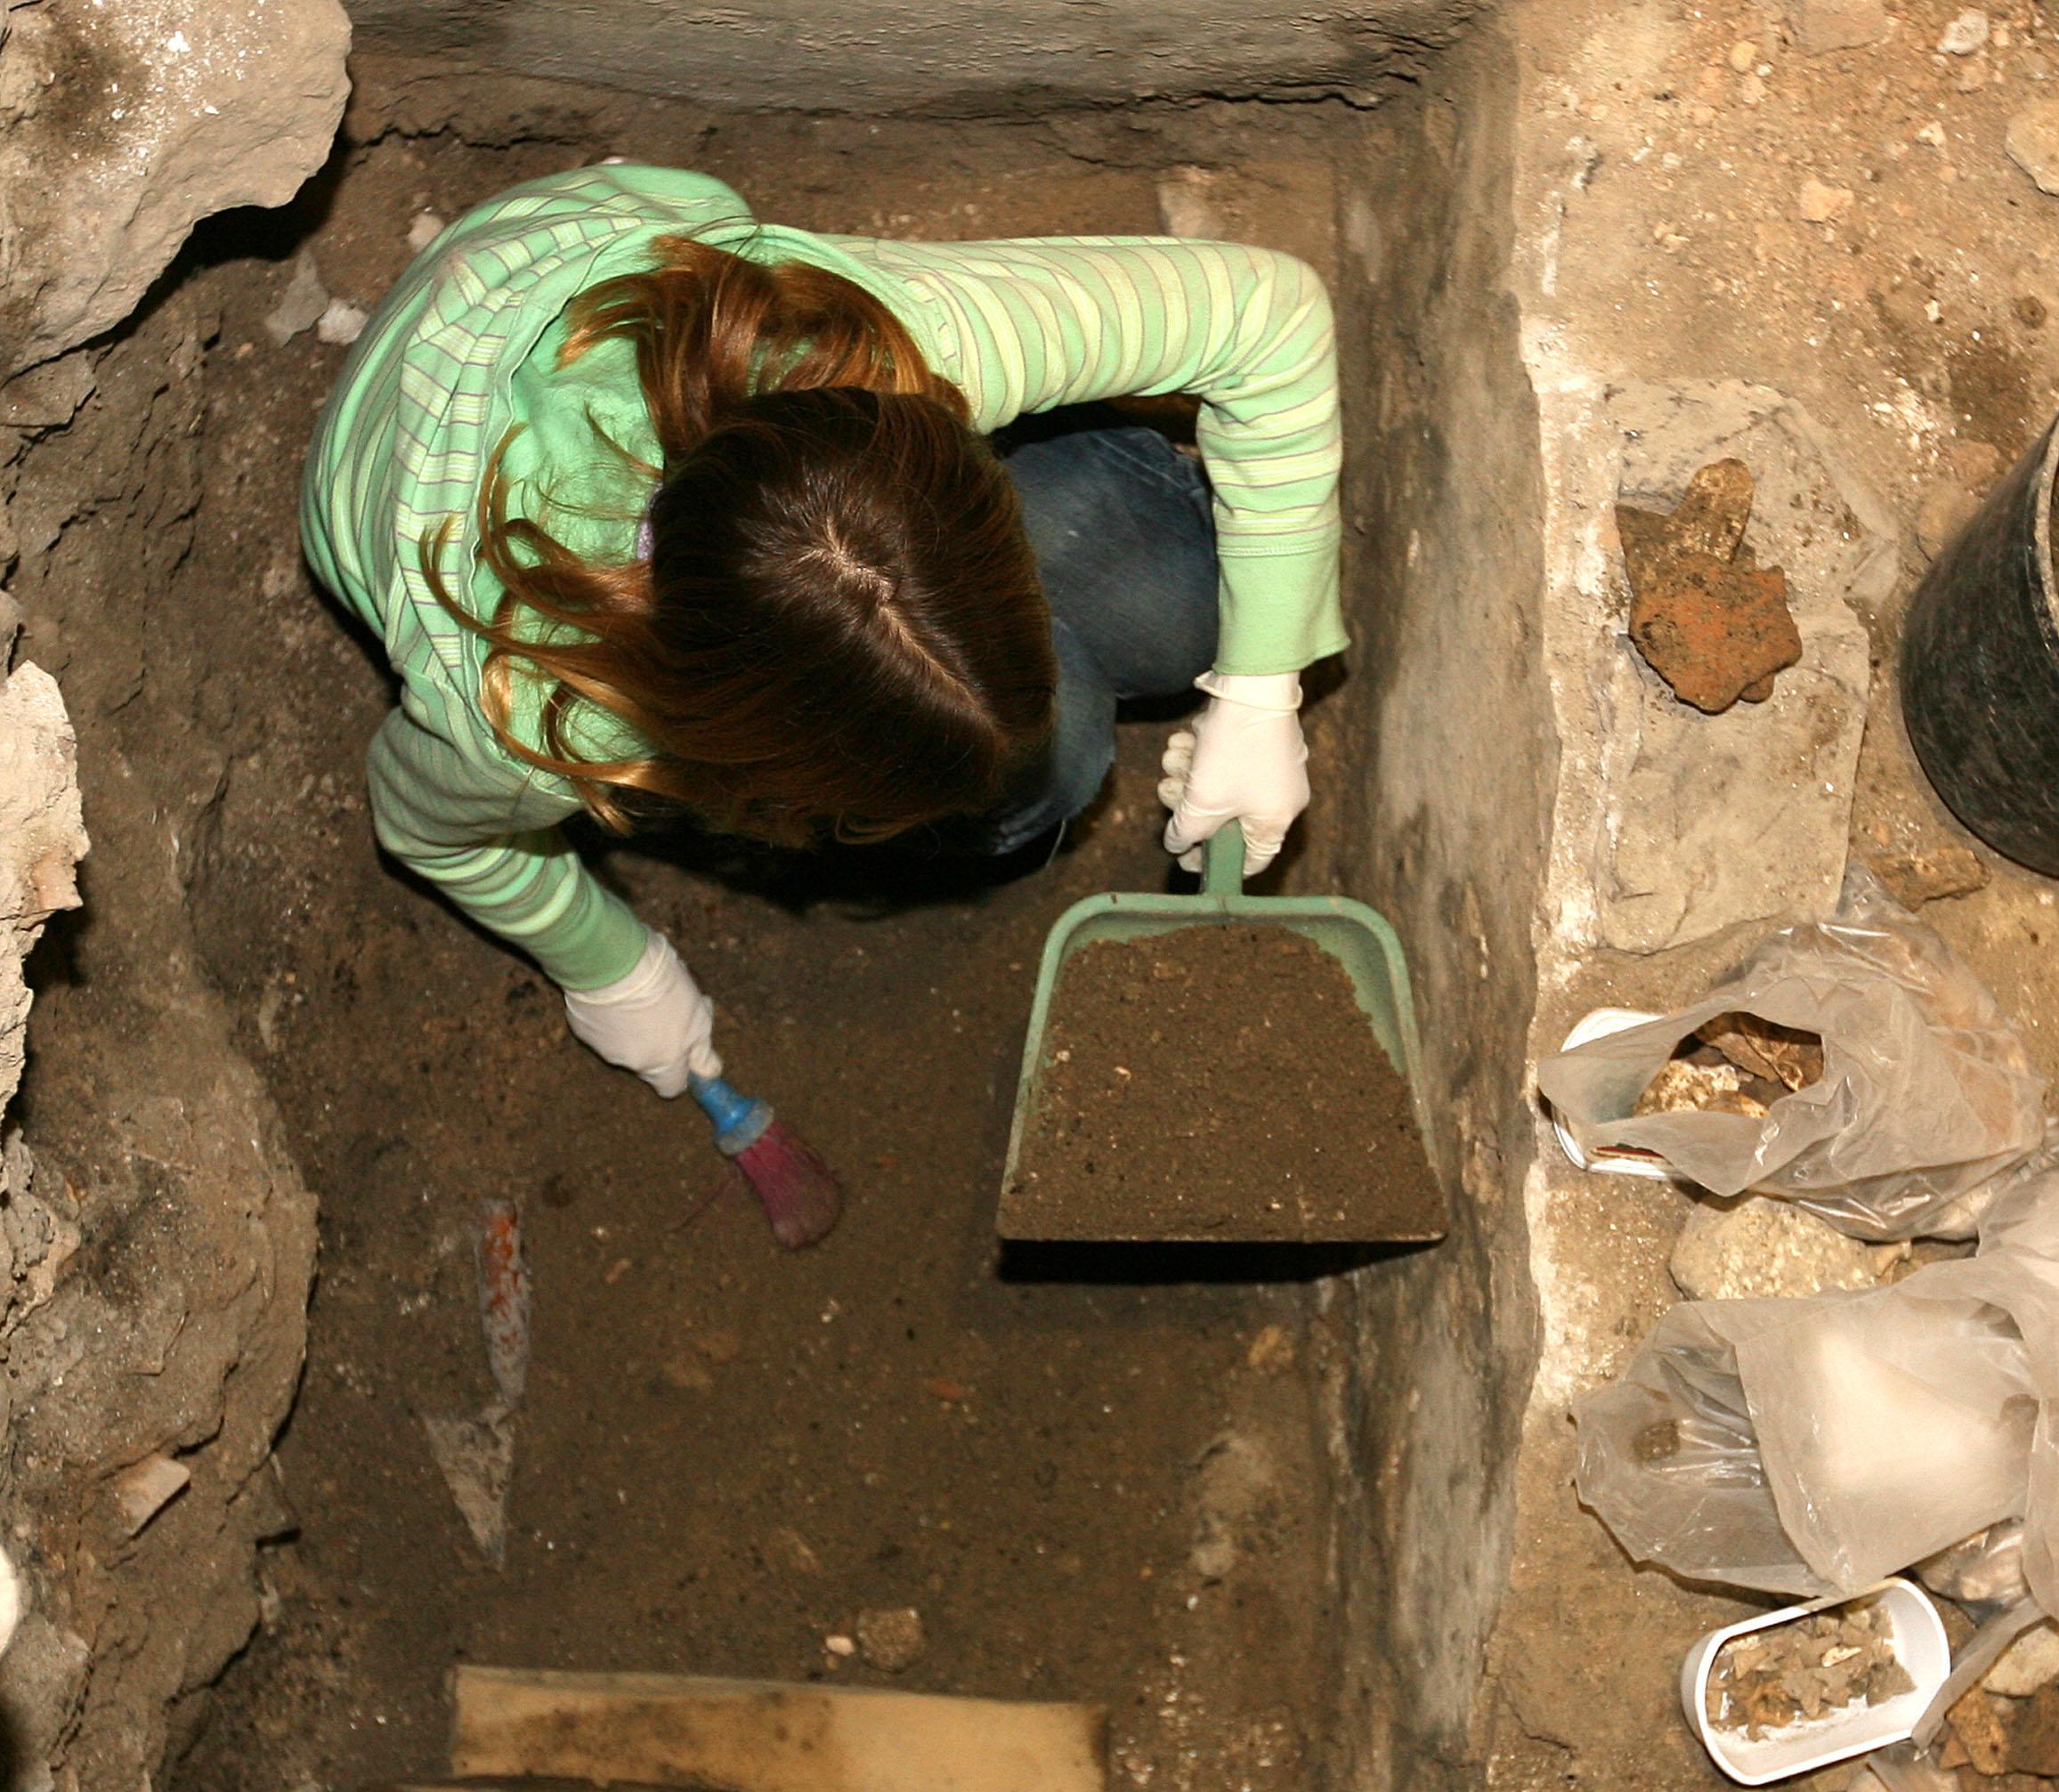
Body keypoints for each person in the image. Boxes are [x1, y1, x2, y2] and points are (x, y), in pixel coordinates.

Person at [301, 163, 1340, 1107]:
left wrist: (1260, 686)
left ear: (945, 447)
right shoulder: (537, 709)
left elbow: (1269, 315)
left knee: (1184, 610)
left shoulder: (872, 341)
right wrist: (606, 958)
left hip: (562, 256)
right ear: (729, 739)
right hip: (401, 445)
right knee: (1050, 772)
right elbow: (427, 824)